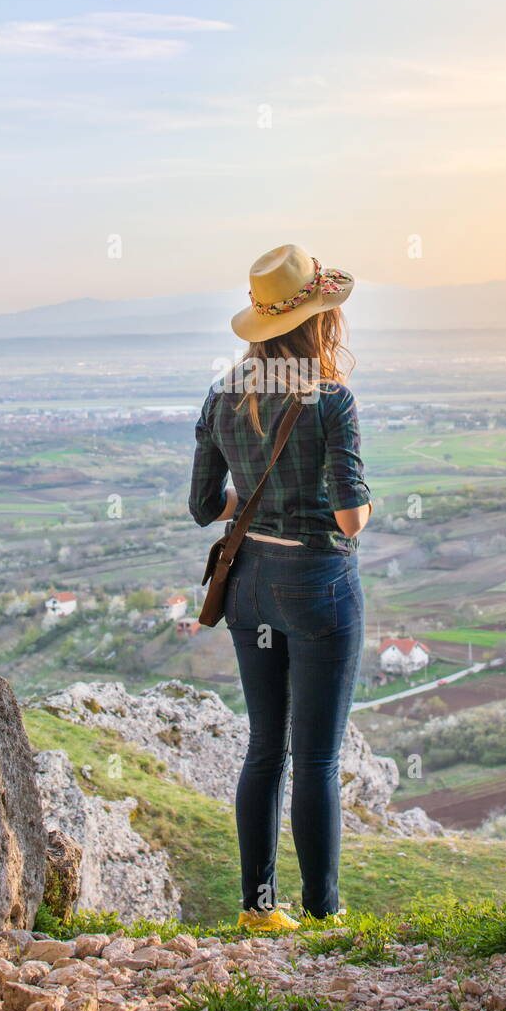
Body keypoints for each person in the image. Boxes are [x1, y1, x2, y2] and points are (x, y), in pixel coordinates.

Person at [188, 244, 372, 931]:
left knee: (265, 747)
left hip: (248, 587)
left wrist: (254, 502)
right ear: (319, 324)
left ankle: (259, 911)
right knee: (317, 757)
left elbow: (206, 507)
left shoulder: (222, 396)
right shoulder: (331, 401)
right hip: (318, 585)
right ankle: (324, 914)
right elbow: (351, 517)